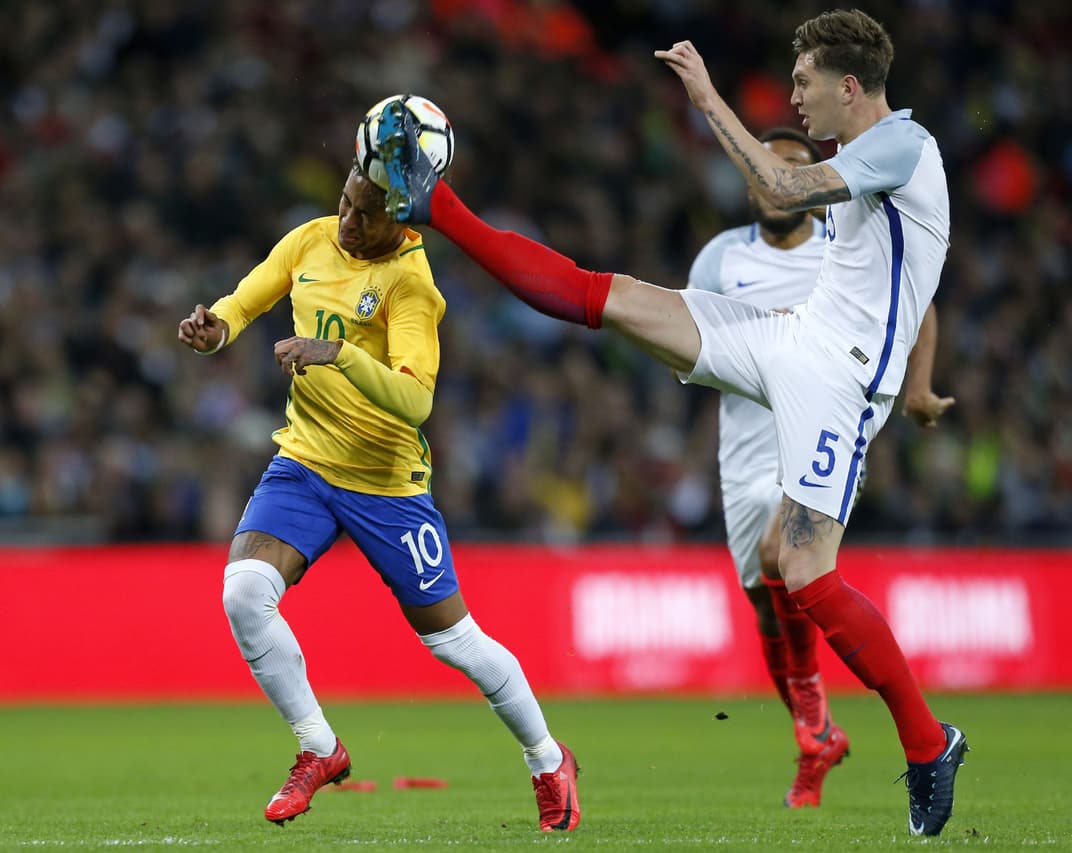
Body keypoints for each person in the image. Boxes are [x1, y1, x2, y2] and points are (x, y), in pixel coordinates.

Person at [375, 8, 966, 836]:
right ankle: (438, 207)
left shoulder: (906, 146)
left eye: (802, 82)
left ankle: (929, 741)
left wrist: (706, 96)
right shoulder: (859, 165)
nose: (794, 96)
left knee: (806, 573)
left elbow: (782, 187)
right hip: (790, 341)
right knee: (606, 296)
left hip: (841, 383)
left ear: (850, 85)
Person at [176, 159, 581, 831]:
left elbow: (416, 400)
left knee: (455, 641)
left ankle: (547, 758)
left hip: (387, 486)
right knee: (243, 592)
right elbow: (242, 302)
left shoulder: (412, 286)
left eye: (366, 214)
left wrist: (338, 355)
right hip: (304, 463)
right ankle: (318, 747)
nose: (348, 222)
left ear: (401, 219)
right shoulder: (309, 239)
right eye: (344, 202)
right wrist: (213, 330)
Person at [687, 126, 955, 809]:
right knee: (765, 604)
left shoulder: (841, 249)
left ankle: (826, 731)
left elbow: (919, 308)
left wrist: (918, 389)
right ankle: (817, 735)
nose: (777, 178)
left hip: (820, 436)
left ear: (810, 187)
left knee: (785, 552)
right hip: (742, 451)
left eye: (793, 167)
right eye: (767, 168)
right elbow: (693, 336)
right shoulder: (720, 257)